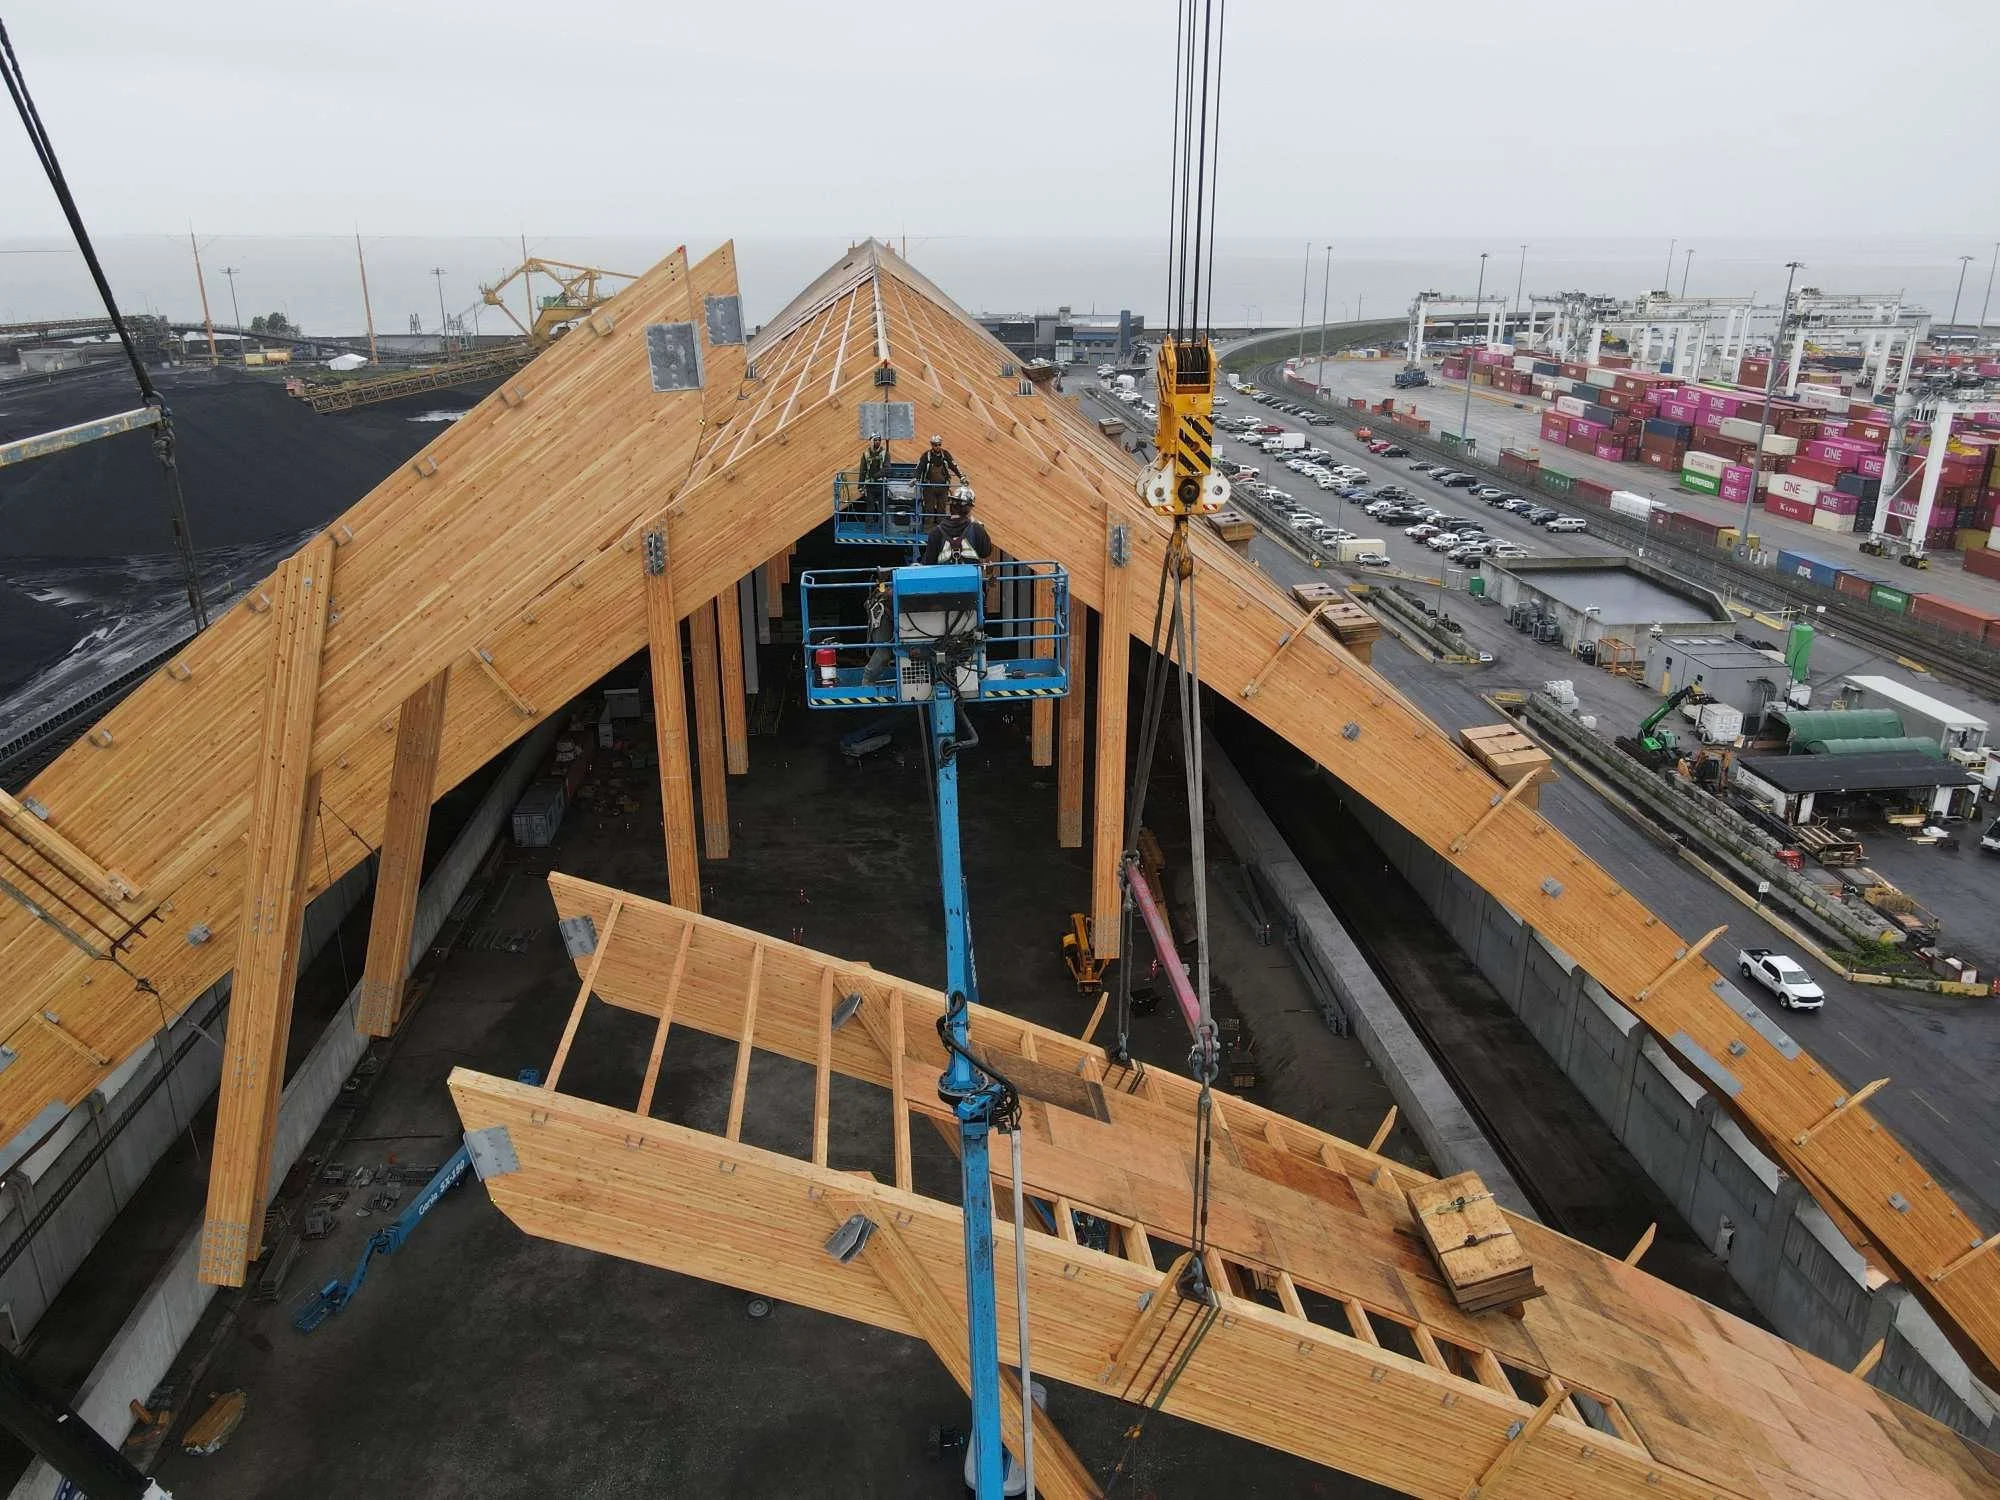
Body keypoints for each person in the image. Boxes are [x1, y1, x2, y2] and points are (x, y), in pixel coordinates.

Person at [920, 486, 994, 566]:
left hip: (945, 577)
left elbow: (929, 562)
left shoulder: (936, 532)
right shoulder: (976, 529)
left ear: (951, 507)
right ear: (969, 509)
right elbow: (986, 552)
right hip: (970, 577)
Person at [912, 433, 963, 515]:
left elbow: (954, 466)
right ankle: (929, 526)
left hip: (943, 487)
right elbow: (919, 467)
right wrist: (915, 478)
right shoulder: (926, 456)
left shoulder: (946, 455)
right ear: (931, 445)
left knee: (942, 509)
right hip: (929, 487)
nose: (937, 447)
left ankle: (941, 526)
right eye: (935, 445)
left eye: (939, 444)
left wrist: (962, 477)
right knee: (929, 508)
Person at [854, 436, 888, 513]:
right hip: (870, 485)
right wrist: (860, 486)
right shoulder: (866, 454)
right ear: (871, 441)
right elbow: (863, 470)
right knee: (870, 508)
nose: (877, 442)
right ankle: (870, 524)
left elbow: (887, 469)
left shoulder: (885, 453)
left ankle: (883, 524)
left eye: (879, 440)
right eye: (875, 440)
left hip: (881, 484)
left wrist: (875, 476)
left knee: (883, 508)